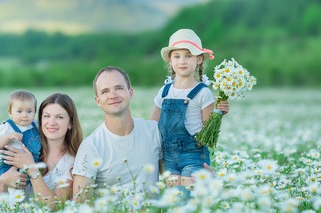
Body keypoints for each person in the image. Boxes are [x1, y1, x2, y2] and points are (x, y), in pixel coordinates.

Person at [150, 28, 229, 187]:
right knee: (173, 196)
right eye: (177, 56)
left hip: (193, 155)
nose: (182, 61)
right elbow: (152, 125)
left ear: (199, 59)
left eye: (188, 56)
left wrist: (219, 113)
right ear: (170, 61)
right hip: (168, 155)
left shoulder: (203, 92)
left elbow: (208, 130)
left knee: (189, 195)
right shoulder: (164, 92)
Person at [72, 66, 162, 201]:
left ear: (130, 92)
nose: (113, 95)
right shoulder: (91, 146)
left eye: (119, 88)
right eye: (105, 91)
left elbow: (172, 179)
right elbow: (81, 203)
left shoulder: (153, 131)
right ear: (97, 101)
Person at [0, 93, 83, 210]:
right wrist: (3, 181)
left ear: (70, 123)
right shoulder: (28, 148)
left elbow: (54, 206)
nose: (52, 122)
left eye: (60, 117)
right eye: (47, 116)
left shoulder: (71, 162)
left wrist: (31, 168)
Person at [0, 90, 41, 194]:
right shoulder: (8, 127)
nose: (24, 115)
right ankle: (1, 205)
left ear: (34, 112)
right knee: (12, 190)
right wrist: (8, 137)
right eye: (19, 111)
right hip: (11, 165)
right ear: (10, 113)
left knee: (28, 189)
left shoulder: (35, 124)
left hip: (31, 163)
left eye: (29, 111)